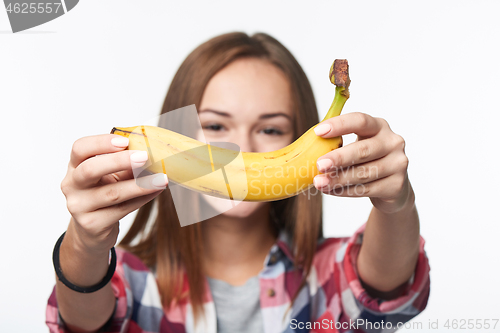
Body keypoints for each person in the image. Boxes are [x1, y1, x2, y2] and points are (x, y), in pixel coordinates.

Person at [46, 32, 430, 333]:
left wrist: (397, 204)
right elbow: (84, 325)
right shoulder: (128, 277)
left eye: (271, 128)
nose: (241, 148)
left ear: (300, 139)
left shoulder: (327, 275)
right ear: (176, 133)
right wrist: (85, 243)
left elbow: (388, 293)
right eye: (215, 125)